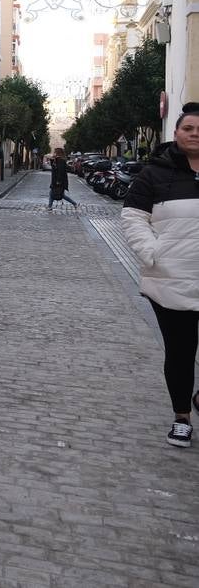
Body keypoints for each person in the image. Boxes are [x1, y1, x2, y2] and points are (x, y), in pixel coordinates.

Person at [121, 104, 199, 448]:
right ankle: (182, 417)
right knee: (181, 353)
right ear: (176, 133)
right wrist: (153, 254)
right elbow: (133, 217)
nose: (195, 134)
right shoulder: (155, 173)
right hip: (170, 278)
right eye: (188, 128)